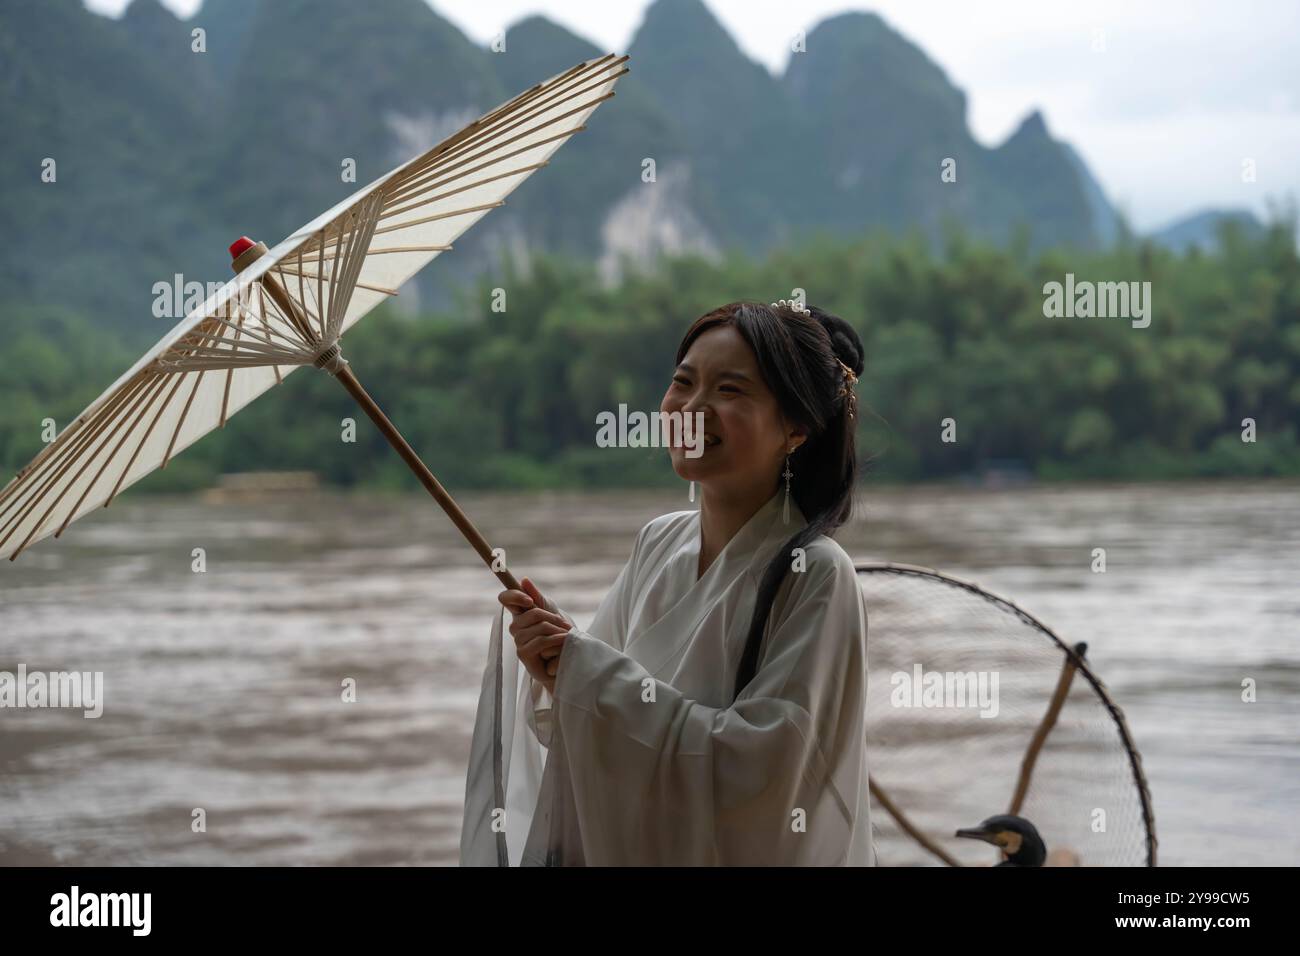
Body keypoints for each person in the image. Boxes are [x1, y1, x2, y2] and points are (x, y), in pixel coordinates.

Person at [460, 299, 877, 865]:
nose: (692, 407)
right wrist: (556, 663)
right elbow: (584, 722)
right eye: (683, 382)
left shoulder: (816, 574)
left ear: (796, 429)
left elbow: (766, 781)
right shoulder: (658, 542)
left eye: (730, 391)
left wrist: (586, 673)